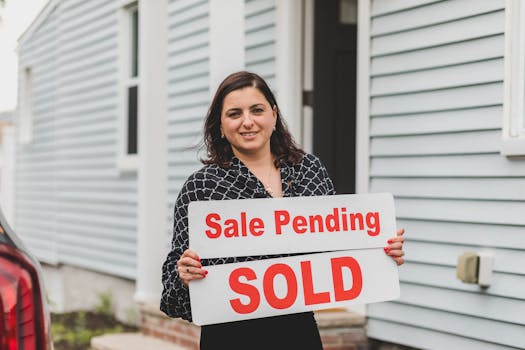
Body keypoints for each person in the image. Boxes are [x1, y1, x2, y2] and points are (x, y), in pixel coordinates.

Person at [160, 71, 405, 349]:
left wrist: (381, 253)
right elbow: (171, 293)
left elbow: (340, 247)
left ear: (274, 116)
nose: (247, 122)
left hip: (298, 333)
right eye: (234, 114)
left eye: (257, 110)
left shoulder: (309, 171)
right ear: (220, 125)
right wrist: (183, 274)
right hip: (229, 337)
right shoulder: (201, 188)